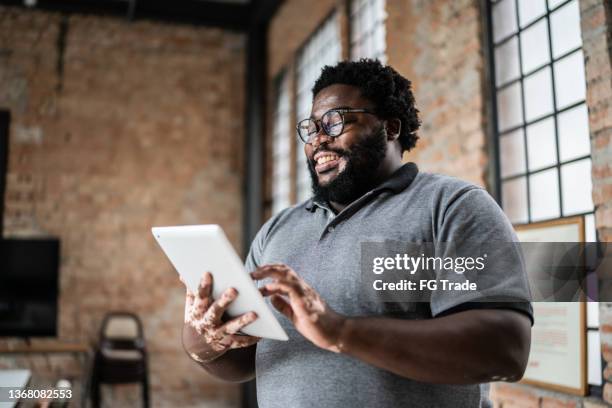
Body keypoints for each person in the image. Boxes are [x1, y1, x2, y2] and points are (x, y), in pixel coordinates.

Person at [182, 59, 533, 407]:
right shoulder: (277, 230)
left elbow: (505, 350)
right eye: (311, 127)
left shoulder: (451, 207)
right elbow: (249, 361)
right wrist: (204, 344)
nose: (318, 139)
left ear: (390, 127)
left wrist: (340, 331)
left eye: (335, 122)